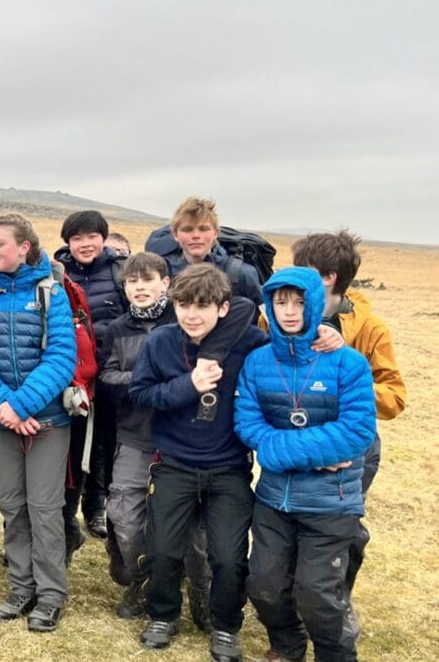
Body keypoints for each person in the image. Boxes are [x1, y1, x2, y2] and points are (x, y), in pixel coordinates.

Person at [98, 252, 254, 623]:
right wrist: (176, 383)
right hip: (139, 435)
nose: (140, 288)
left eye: (148, 280)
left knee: (198, 533)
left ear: (166, 285)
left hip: (195, 447)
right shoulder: (126, 329)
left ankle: (199, 590)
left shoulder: (187, 319)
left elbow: (244, 306)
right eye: (132, 281)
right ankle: (145, 580)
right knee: (129, 519)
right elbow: (122, 383)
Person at [236, 266, 376, 662]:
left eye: (299, 302)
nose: (290, 311)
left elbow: (356, 430)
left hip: (331, 502)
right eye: (281, 302)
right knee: (263, 584)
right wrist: (313, 454)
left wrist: (279, 450)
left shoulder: (348, 363)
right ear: (270, 306)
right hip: (273, 499)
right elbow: (248, 424)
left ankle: (335, 654)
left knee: (317, 593)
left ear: (314, 303)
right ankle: (287, 643)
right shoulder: (257, 362)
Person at [128, 263, 266, 661]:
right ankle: (163, 615)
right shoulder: (161, 342)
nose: (191, 314)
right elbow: (141, 394)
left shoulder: (251, 343)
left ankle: (225, 626)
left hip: (229, 467)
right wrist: (186, 387)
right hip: (174, 462)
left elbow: (285, 352)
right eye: (184, 304)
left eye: (202, 306)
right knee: (164, 549)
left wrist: (326, 334)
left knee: (227, 556)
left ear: (223, 308)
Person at [0, 213, 78, 633]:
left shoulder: (52, 293)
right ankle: (21, 586)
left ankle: (50, 595)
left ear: (24, 247)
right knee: (12, 506)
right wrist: (5, 408)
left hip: (46, 422)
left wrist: (23, 405)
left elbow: (62, 357)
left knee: (45, 508)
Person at [291, 231, 406, 604]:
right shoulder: (280, 316)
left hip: (354, 448)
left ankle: (336, 601)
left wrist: (346, 383)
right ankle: (290, 603)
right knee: (288, 521)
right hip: (299, 440)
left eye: (302, 270)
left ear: (328, 277)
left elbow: (394, 398)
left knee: (341, 528)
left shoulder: (370, 329)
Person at [53, 210, 128, 546]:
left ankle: (98, 510)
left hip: (111, 377)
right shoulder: (56, 274)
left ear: (103, 237)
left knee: (105, 447)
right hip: (70, 379)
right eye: (77, 238)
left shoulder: (119, 273)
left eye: (92, 236)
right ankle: (68, 519)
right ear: (68, 242)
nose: (85, 244)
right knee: (76, 448)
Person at [153, 197, 262, 305]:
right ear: (175, 235)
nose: (196, 236)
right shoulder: (163, 274)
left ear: (215, 233)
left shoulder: (242, 275)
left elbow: (258, 319)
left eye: (203, 229)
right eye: (187, 229)